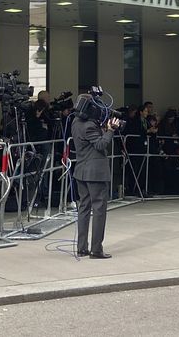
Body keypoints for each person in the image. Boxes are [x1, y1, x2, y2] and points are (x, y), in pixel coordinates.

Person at [70, 95, 120, 259]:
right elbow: (100, 145)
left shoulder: (75, 123)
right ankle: (96, 249)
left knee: (84, 208)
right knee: (99, 210)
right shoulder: (90, 125)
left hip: (81, 171)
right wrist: (111, 131)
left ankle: (82, 247)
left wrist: (103, 130)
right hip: (95, 173)